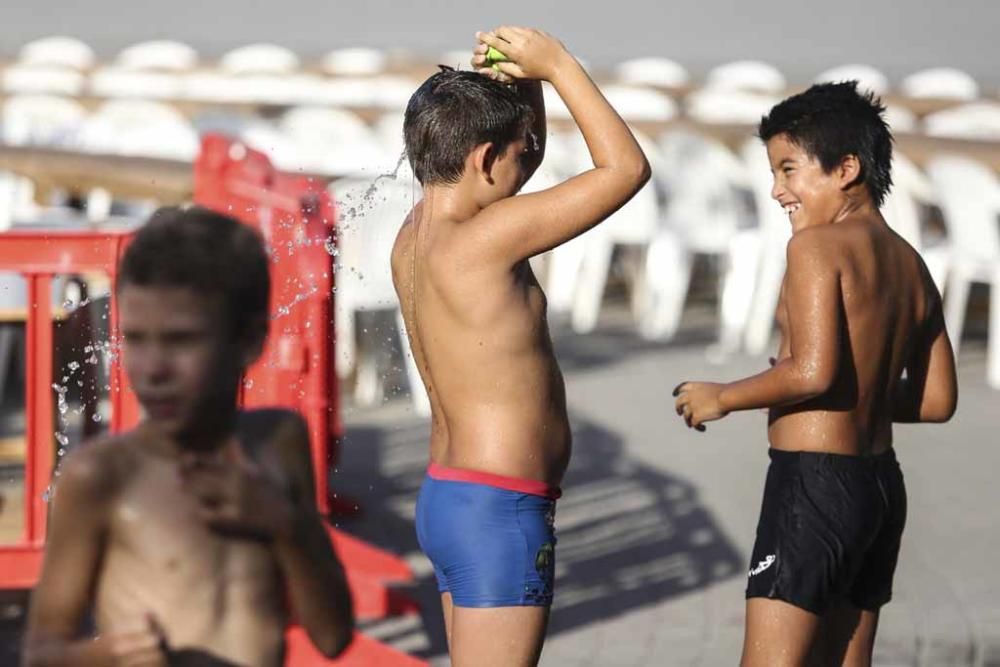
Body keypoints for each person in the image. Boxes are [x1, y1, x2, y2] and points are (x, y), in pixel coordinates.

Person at [673, 81, 958, 666]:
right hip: (879, 487)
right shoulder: (912, 263)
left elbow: (811, 372)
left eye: (789, 169)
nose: (777, 190)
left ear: (846, 168)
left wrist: (722, 396)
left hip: (814, 486)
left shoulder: (816, 249)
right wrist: (865, 395)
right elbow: (937, 401)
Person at [392, 26, 649, 667]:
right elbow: (626, 169)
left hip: (452, 496)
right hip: (499, 511)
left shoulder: (417, 233)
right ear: (483, 160)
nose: (528, 159)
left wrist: (524, 84)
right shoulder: (491, 237)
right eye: (515, 152)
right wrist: (560, 65)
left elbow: (519, 164)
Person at [22, 206, 354, 666]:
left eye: (181, 340)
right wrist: (105, 655)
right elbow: (40, 654)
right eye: (135, 339)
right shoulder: (101, 476)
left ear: (250, 341)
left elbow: (334, 635)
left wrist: (285, 523)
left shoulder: (278, 441)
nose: (153, 369)